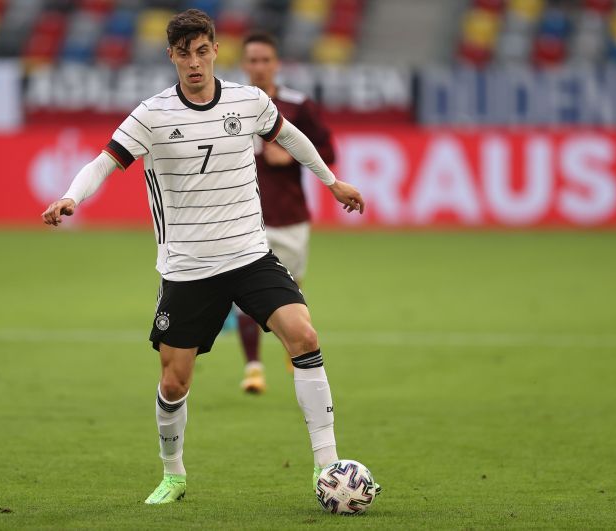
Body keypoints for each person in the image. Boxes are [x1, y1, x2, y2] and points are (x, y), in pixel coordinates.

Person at [41, 9, 377, 505]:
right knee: (174, 380)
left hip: (249, 254)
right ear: (171, 56)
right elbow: (105, 162)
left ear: (216, 50)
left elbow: (290, 136)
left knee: (303, 335)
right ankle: (173, 474)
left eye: (203, 51)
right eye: (184, 53)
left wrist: (331, 181)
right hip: (188, 268)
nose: (195, 62)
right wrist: (72, 196)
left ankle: (327, 467)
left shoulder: (249, 101)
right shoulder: (151, 115)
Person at [237, 31, 336, 394]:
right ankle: (253, 368)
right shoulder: (230, 106)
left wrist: (290, 154)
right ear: (244, 64)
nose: (259, 67)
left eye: (266, 60)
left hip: (290, 216)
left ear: (276, 64)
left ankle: (291, 349)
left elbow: (328, 151)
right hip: (246, 219)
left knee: (289, 291)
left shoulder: (298, 105)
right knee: (245, 294)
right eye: (253, 60)